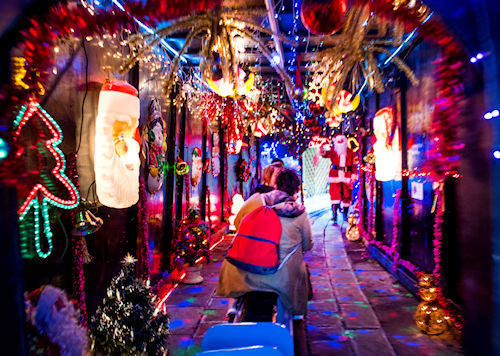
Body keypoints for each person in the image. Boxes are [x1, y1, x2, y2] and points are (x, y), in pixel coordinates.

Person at [217, 169, 313, 317]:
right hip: (281, 276)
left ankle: (234, 307)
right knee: (300, 271)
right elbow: (307, 245)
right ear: (297, 190)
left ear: (276, 185)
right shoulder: (299, 213)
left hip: (242, 269)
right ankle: (295, 320)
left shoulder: (255, 200)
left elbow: (237, 222)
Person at [320, 134, 357, 223]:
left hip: (346, 177)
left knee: (347, 195)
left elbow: (354, 165)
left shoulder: (351, 152)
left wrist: (353, 175)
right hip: (335, 176)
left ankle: (345, 214)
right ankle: (334, 215)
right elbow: (325, 154)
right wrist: (321, 150)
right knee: (334, 195)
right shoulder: (333, 151)